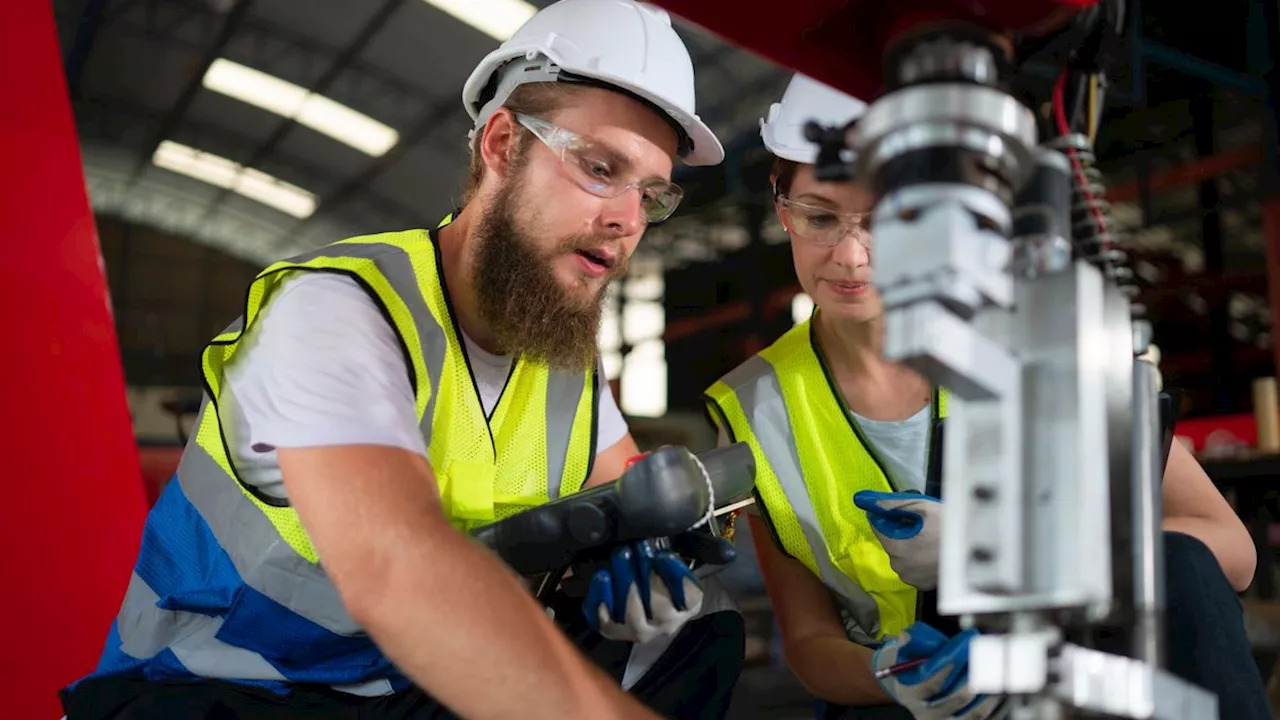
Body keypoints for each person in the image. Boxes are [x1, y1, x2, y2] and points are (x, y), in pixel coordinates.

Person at [59, 2, 744, 719]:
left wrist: (652, 553)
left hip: (401, 681)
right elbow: (395, 573)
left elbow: (632, 490)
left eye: (651, 194)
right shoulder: (333, 310)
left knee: (700, 628)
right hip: (229, 685)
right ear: (504, 145)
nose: (629, 220)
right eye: (601, 169)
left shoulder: (558, 357)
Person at [704, 73, 1271, 720]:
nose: (852, 256)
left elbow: (1225, 552)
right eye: (819, 216)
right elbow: (808, 642)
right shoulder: (753, 408)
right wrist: (894, 675)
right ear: (783, 210)